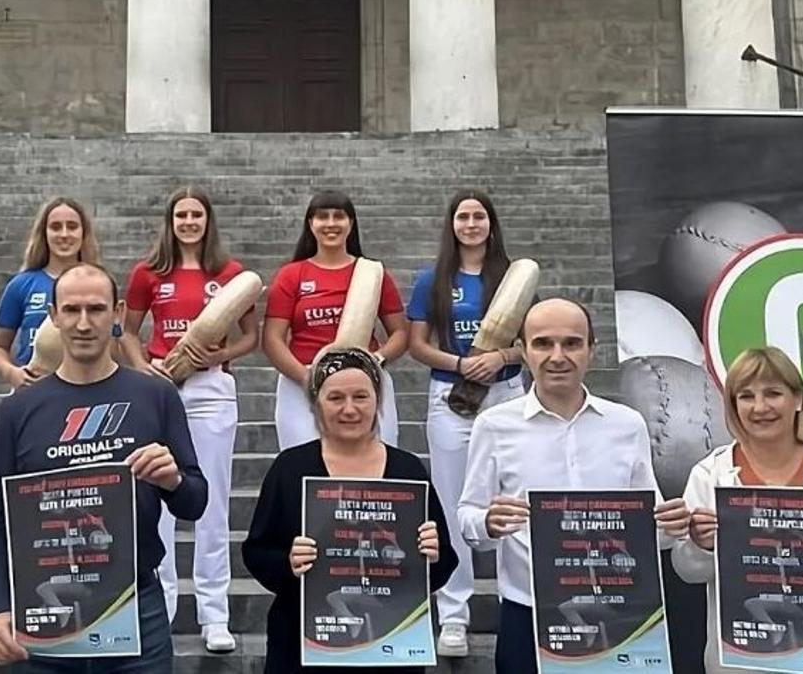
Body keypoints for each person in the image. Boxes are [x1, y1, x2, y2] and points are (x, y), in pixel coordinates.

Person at [0, 263, 209, 673]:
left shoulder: (156, 395)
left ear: (118, 313)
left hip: (136, 606)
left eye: (97, 309)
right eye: (71, 310)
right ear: (53, 316)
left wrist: (172, 480)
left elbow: (195, 501)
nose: (84, 323)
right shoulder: (17, 410)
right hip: (43, 609)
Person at [456, 298, 691, 674]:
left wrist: (672, 526)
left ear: (591, 350)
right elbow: (469, 521)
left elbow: (651, 529)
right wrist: (488, 522)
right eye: (543, 343)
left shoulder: (627, 424)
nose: (558, 356)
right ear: (524, 351)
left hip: (616, 608)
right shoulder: (494, 425)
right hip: (527, 611)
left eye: (572, 343)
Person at [242, 347, 458, 673]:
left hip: (391, 643)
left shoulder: (407, 470)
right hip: (304, 643)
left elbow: (443, 563)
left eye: (361, 396)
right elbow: (257, 551)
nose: (349, 409)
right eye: (335, 398)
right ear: (316, 403)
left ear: (377, 401)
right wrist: (288, 562)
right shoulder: (291, 467)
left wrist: (432, 554)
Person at [121, 186, 259, 653]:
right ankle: (161, 605)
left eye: (196, 215)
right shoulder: (146, 273)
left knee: (213, 501)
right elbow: (128, 334)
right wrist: (143, 369)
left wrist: (222, 353)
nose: (188, 222)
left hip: (211, 390)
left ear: (207, 220)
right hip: (160, 386)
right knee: (154, 497)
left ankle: (214, 614)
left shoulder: (231, 274)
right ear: (170, 220)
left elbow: (251, 337)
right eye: (181, 215)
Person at [406, 189, 526, 657]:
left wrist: (499, 356)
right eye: (463, 216)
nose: (471, 224)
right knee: (454, 503)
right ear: (452, 224)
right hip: (451, 395)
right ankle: (454, 613)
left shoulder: (512, 276)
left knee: (509, 501)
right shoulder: (432, 279)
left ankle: (515, 600)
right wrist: (461, 366)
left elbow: (532, 342)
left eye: (479, 216)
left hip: (506, 392)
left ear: (491, 224)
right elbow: (417, 344)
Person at [673, 346, 803, 674]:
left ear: (798, 400)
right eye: (746, 396)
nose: (760, 407)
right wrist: (701, 544)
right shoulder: (710, 473)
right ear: (733, 405)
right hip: (739, 660)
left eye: (773, 393)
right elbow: (688, 572)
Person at [262, 190, 408, 450]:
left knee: (373, 464)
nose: (331, 224)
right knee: (304, 466)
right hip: (302, 382)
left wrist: (377, 360)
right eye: (322, 217)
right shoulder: (291, 275)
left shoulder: (372, 273)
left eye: (339, 217)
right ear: (311, 224)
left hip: (364, 379)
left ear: (350, 224)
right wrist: (309, 379)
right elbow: (273, 339)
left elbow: (400, 333)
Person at [0, 197, 101, 390]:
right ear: (44, 234)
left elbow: (114, 346)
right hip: (34, 389)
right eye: (56, 227)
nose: (64, 234)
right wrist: (12, 372)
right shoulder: (21, 285)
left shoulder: (99, 285)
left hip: (86, 388)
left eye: (72, 226)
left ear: (84, 233)